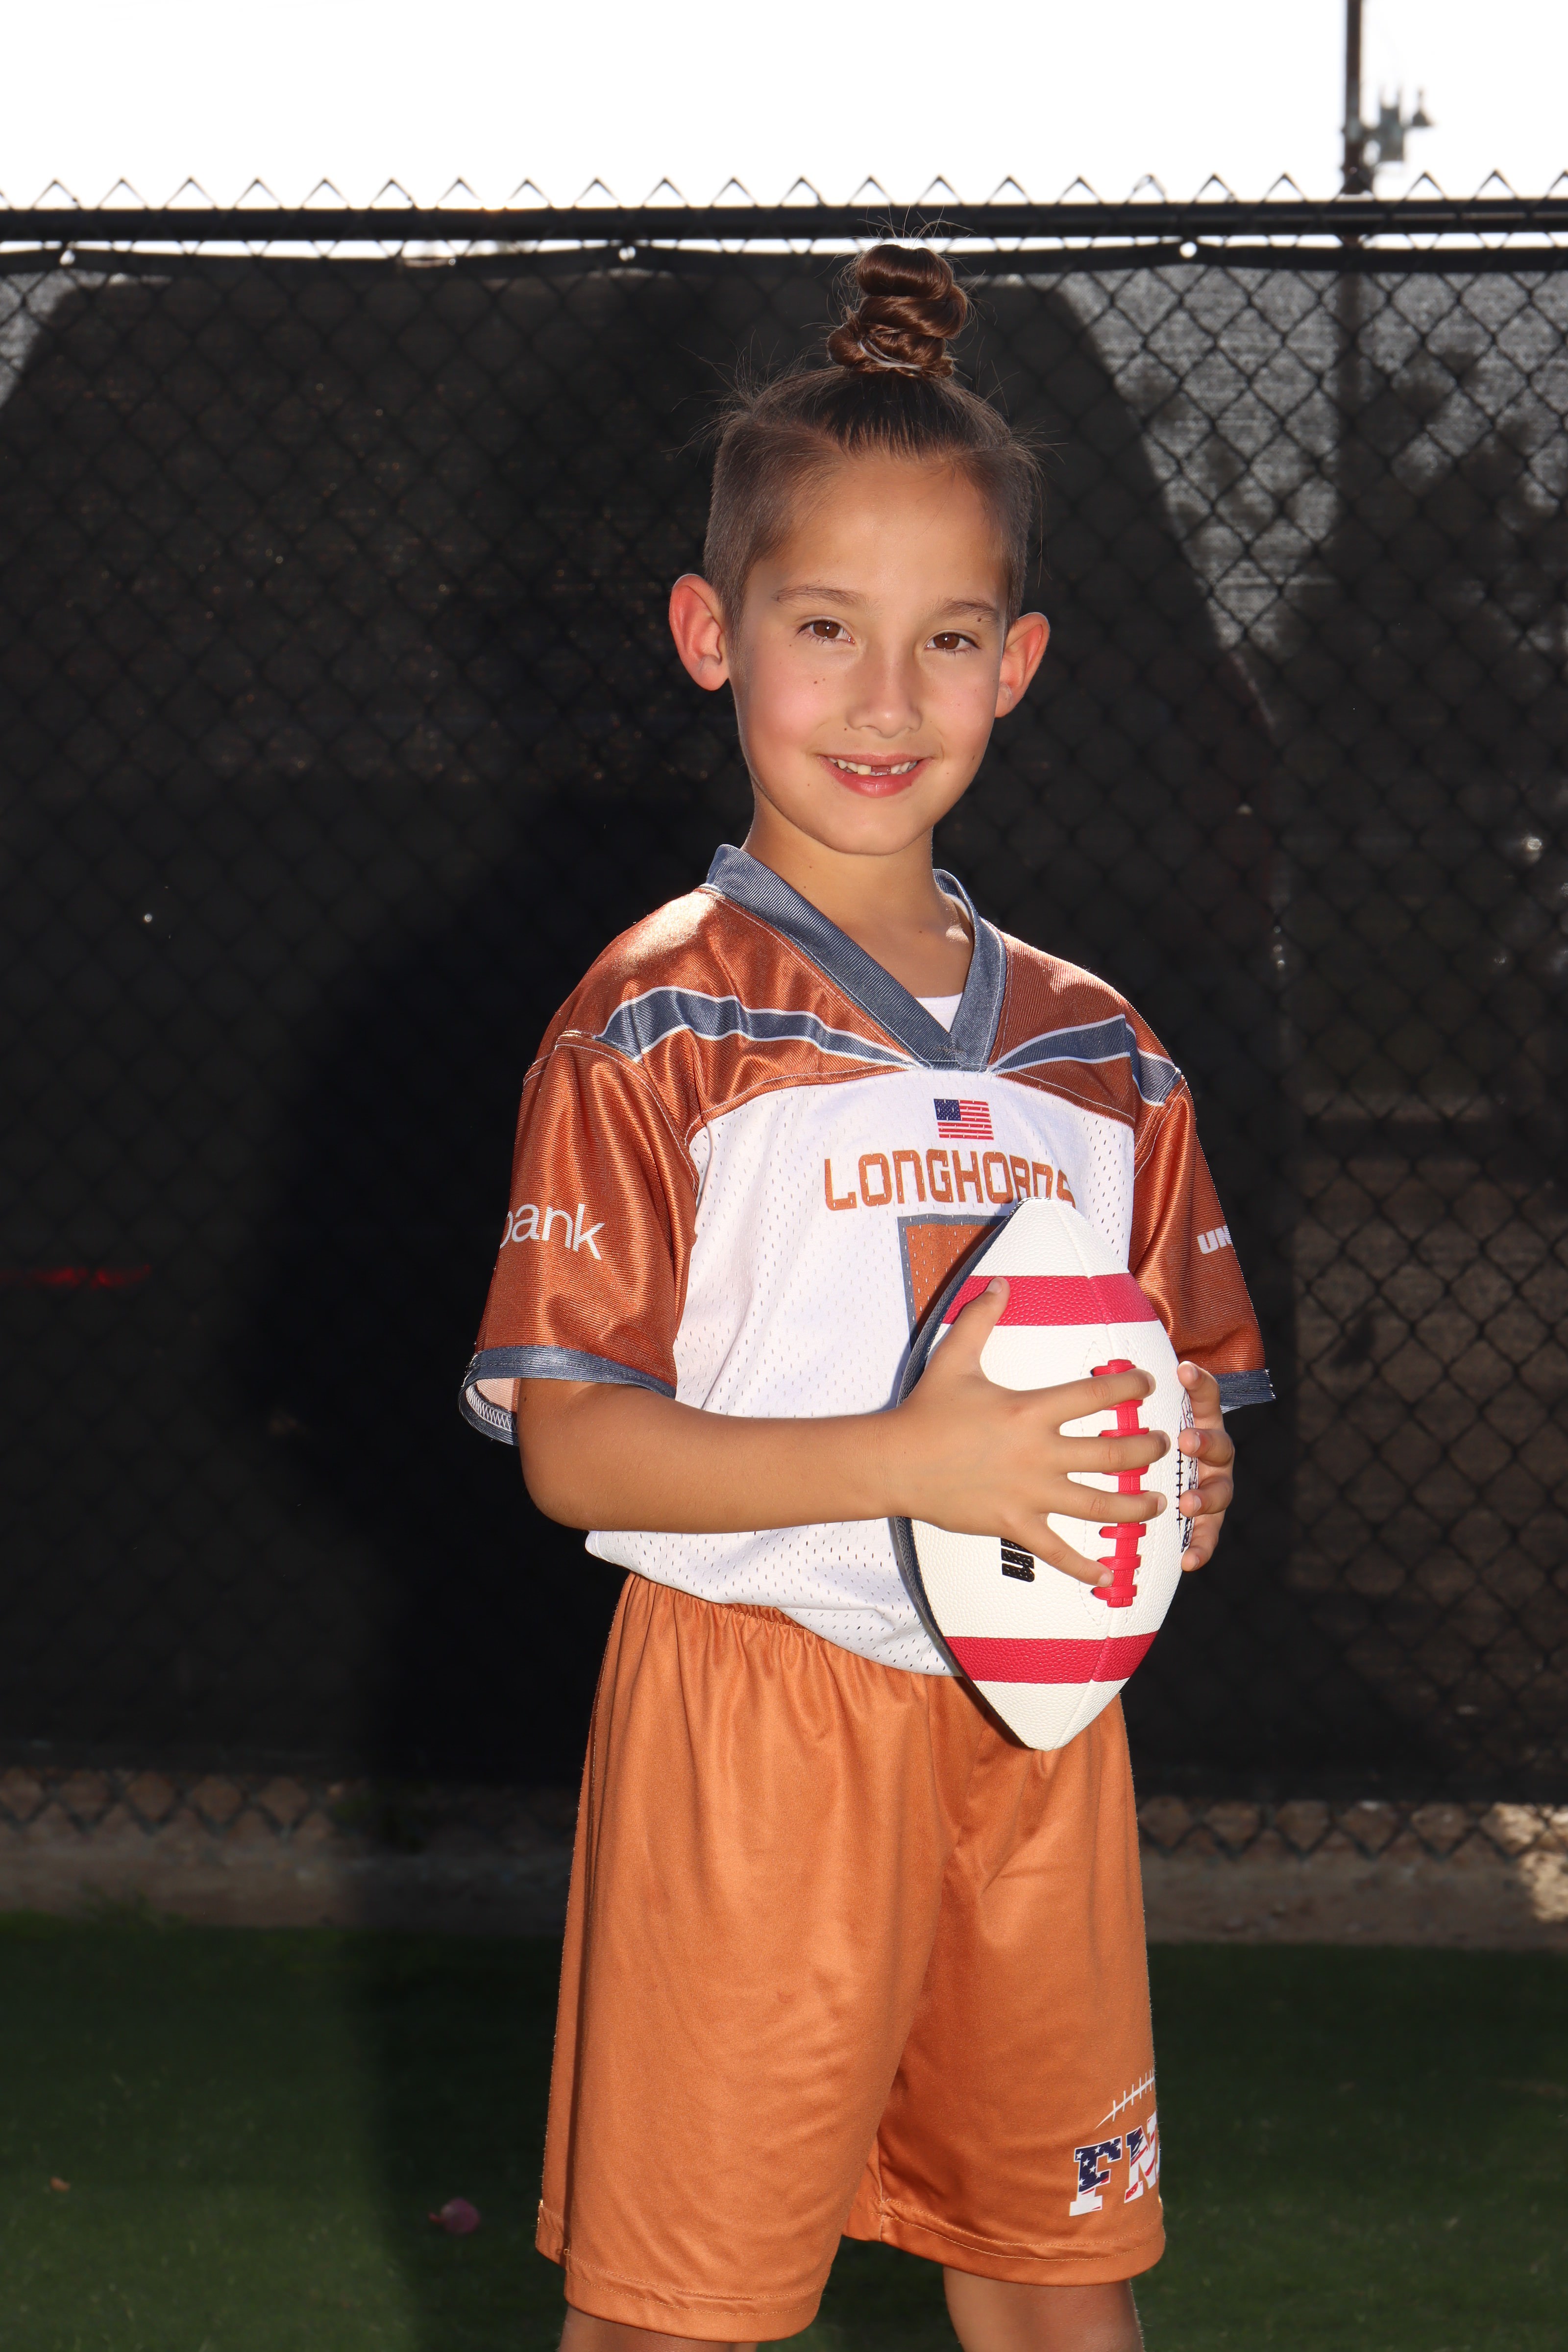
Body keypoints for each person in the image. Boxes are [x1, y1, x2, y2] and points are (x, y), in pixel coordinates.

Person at [462, 243, 1272, 2352]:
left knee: (1057, 2283)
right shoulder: (654, 1019)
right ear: (709, 634)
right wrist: (918, 1457)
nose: (886, 699)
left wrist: (1177, 1478)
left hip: (1041, 1728)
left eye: (945, 640)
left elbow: (1171, 1418)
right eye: (825, 629)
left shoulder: (1104, 1054)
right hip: (756, 1715)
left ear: (1019, 664)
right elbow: (573, 1453)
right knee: (684, 2310)